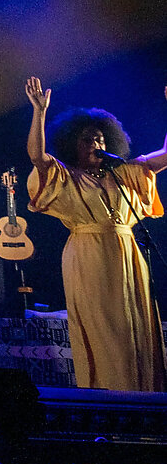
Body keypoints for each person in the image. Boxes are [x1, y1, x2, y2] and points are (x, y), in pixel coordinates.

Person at [25, 77, 166, 391]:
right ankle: (109, 392)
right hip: (88, 253)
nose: (95, 145)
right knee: (104, 328)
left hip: (127, 254)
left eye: (100, 139)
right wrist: (39, 112)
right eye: (87, 140)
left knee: (136, 326)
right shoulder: (65, 176)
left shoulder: (124, 173)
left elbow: (165, 155)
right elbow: (37, 157)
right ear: (73, 143)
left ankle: (144, 395)